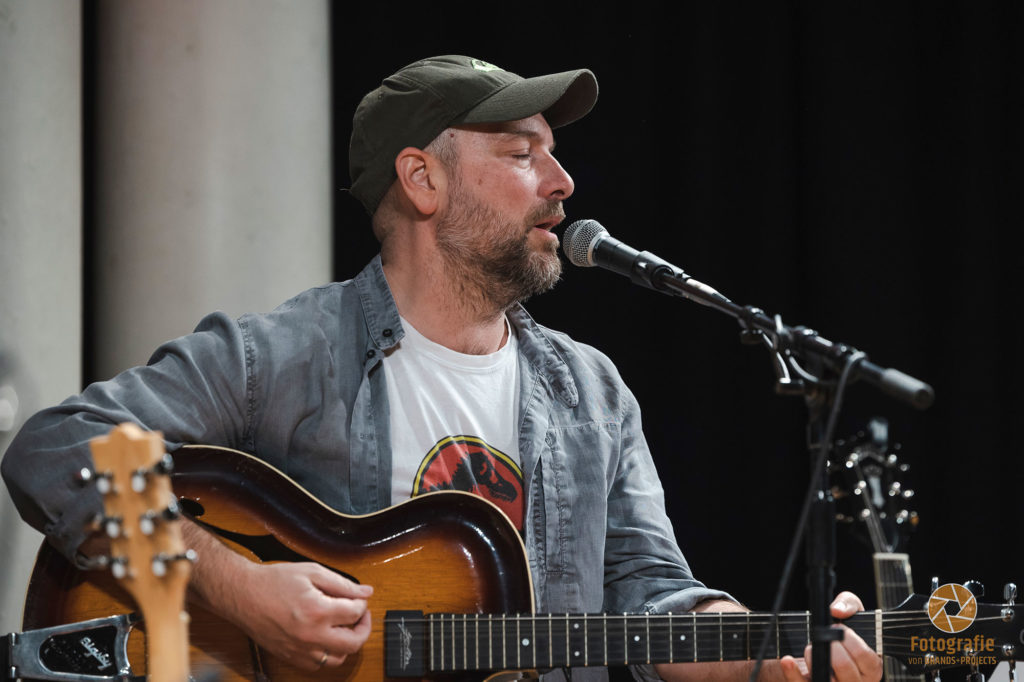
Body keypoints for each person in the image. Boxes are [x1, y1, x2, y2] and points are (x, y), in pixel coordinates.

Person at [2, 55, 882, 682]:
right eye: (522, 153)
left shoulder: (592, 392)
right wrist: (237, 586)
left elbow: (651, 597)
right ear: (422, 180)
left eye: (553, 153)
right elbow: (56, 447)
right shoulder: (283, 354)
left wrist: (766, 655)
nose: (563, 181)